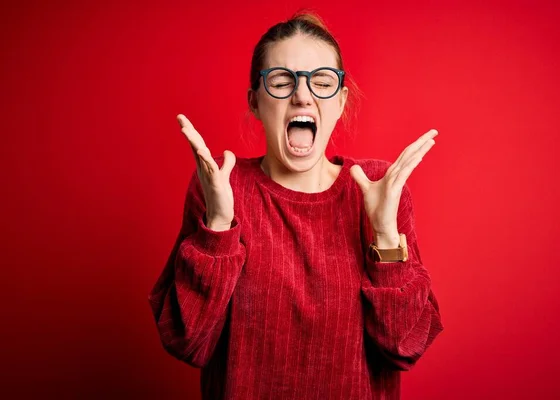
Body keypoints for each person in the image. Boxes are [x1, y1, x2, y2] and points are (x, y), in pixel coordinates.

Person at [149, 11, 443, 399]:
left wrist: (386, 234)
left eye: (322, 82)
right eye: (282, 81)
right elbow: (188, 341)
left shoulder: (378, 189)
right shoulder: (222, 185)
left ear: (340, 102)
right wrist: (218, 225)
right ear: (255, 102)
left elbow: (405, 345)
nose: (302, 95)